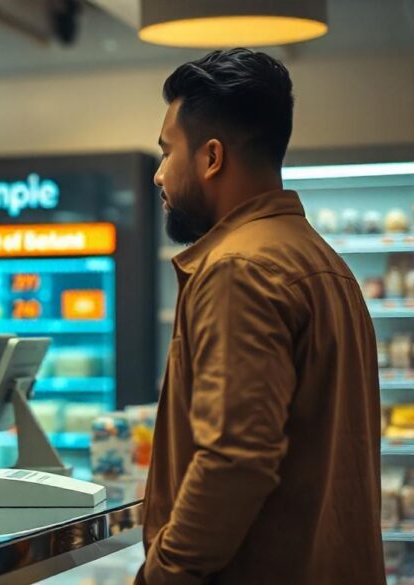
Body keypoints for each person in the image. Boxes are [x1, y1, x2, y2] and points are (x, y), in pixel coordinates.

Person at [140, 49, 384, 584]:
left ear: (210, 158)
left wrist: (161, 575)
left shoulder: (238, 269)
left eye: (166, 152)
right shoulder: (320, 260)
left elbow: (234, 460)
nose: (159, 175)